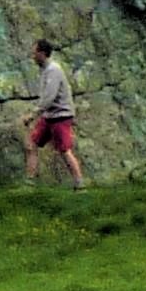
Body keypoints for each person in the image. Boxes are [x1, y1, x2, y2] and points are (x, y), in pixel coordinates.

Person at [24, 38, 86, 189]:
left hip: (60, 116)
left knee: (64, 150)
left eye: (35, 53)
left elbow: (49, 97)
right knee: (32, 144)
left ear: (42, 53)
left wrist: (33, 114)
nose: (32, 56)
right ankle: (29, 183)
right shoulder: (44, 70)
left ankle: (80, 185)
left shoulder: (53, 70)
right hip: (49, 116)